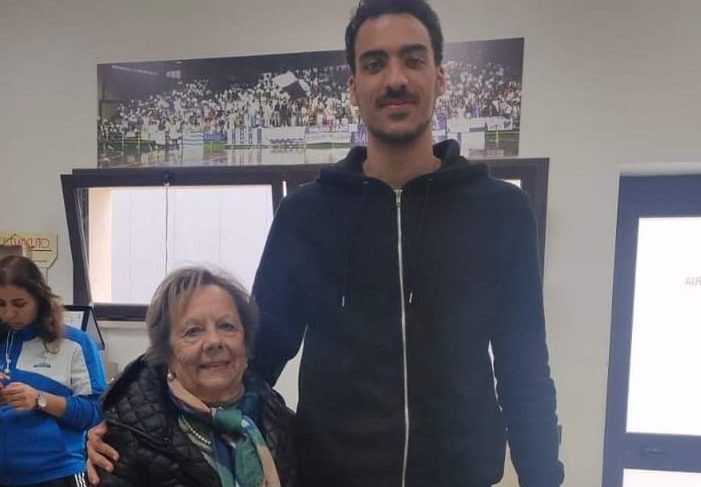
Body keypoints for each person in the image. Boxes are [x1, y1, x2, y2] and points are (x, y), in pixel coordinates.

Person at [89, 0, 564, 486]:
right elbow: (252, 352)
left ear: (440, 77)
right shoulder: (306, 213)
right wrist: (127, 421)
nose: (395, 79)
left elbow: (525, 369)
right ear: (353, 86)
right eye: (375, 63)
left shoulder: (500, 212)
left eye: (413, 59)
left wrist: (544, 478)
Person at [93, 267, 296, 487]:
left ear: (246, 343)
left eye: (226, 326)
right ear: (167, 353)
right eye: (193, 331)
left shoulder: (282, 423)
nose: (214, 341)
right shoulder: (128, 437)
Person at [0, 255, 106, 487]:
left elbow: (94, 412)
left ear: (40, 299)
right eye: (1, 304)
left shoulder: (74, 343)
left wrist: (39, 399)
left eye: (19, 304)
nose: (9, 314)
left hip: (57, 474)